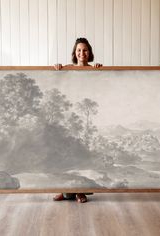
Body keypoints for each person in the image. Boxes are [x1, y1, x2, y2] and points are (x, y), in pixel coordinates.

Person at [53, 37, 102, 203]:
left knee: (81, 155)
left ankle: (80, 192)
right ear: (74, 53)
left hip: (85, 119)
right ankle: (66, 191)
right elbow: (60, 85)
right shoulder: (67, 70)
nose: (82, 53)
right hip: (69, 118)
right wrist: (57, 68)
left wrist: (98, 70)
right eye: (79, 50)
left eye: (85, 50)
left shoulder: (94, 69)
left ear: (90, 52)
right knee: (64, 153)